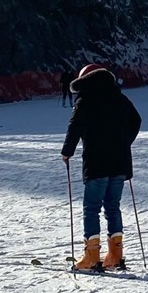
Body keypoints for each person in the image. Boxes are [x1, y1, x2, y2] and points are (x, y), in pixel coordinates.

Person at [61, 64, 142, 271]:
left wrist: (67, 151)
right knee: (113, 208)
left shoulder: (85, 98)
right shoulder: (120, 98)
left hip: (97, 162)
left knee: (91, 209)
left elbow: (75, 126)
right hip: (120, 162)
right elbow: (136, 120)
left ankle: (91, 257)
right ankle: (115, 256)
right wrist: (124, 142)